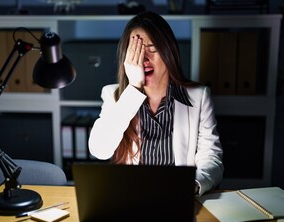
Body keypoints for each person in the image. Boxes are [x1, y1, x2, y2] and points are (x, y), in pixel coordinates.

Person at [88, 11, 223, 196]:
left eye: (151, 48)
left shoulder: (199, 97)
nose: (143, 59)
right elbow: (100, 150)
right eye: (136, 51)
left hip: (178, 198)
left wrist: (195, 184)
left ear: (169, 52)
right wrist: (134, 88)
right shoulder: (114, 95)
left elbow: (211, 157)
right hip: (130, 197)